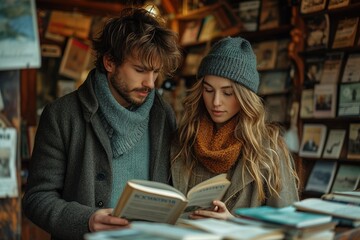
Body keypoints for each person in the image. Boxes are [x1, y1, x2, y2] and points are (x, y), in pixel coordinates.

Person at [22, 7, 182, 240]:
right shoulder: (61, 115)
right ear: (109, 62)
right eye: (140, 70)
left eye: (155, 72)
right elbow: (37, 198)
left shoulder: (163, 115)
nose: (150, 83)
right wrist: (86, 220)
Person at [171, 36, 299, 220]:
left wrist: (233, 223)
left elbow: (289, 224)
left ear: (244, 96)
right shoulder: (183, 140)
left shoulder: (269, 148)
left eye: (227, 93)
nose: (216, 102)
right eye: (208, 90)